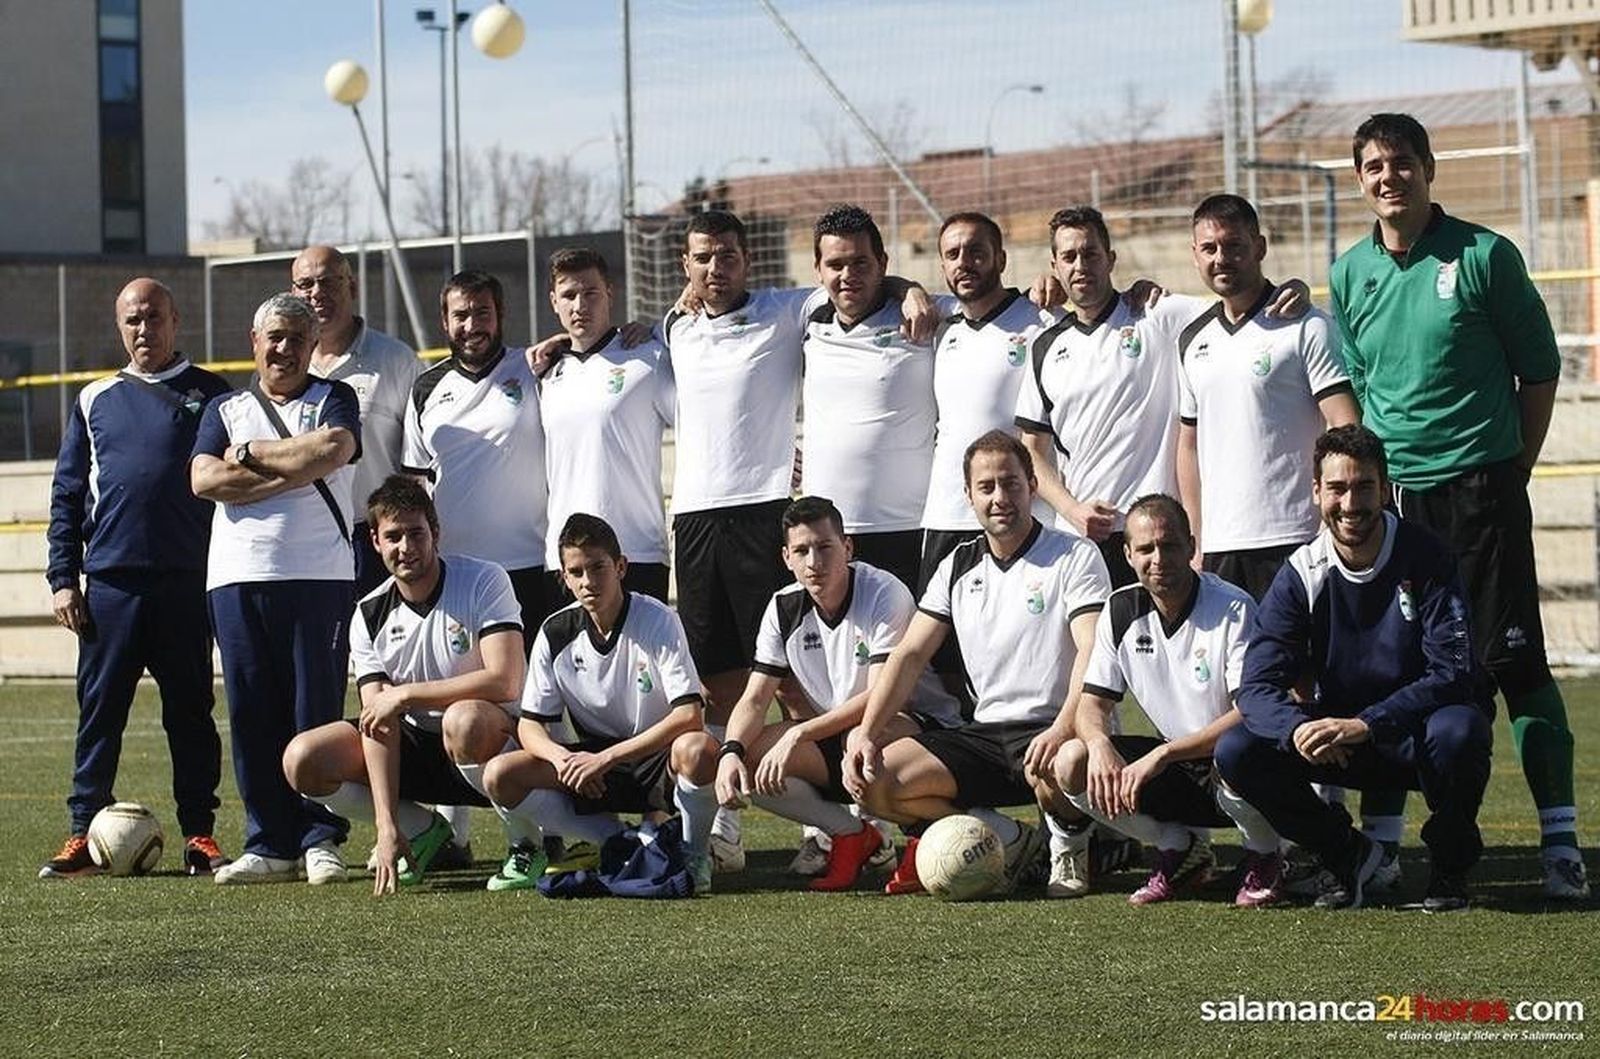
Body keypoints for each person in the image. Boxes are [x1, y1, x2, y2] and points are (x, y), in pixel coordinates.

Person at [1328, 112, 1588, 900]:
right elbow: (1361, 389)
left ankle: (1561, 844)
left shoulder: (1484, 256)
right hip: (1397, 503)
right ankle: (1386, 847)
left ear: (1429, 167)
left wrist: (1512, 468)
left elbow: (1536, 373)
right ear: (1361, 178)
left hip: (1483, 489)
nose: (1388, 176)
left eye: (1402, 161)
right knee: (1399, 671)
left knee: (1511, 662)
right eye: (1373, 165)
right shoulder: (1349, 273)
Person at [663, 209, 938, 874]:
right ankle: (729, 824)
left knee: (794, 680)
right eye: (704, 256)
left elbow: (858, 281)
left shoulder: (791, 309)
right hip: (695, 518)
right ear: (686, 265)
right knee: (721, 679)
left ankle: (844, 812)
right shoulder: (672, 326)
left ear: (746, 259)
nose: (716, 266)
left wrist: (912, 289)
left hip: (765, 513)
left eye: (727, 253)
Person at [1215, 426, 1494, 912]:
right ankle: (1345, 854)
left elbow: (1453, 671)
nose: (1351, 504)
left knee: (1462, 728)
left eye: (1364, 487)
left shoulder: (1427, 556)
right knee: (1237, 749)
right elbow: (1257, 686)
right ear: (1317, 492)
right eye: (1338, 489)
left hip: (1410, 733)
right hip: (1338, 744)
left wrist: (1369, 724)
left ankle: (1449, 869)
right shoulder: (1301, 573)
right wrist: (1298, 730)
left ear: (1384, 489)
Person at [844, 430, 1110, 896]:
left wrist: (1064, 725)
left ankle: (1071, 846)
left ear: (1031, 483)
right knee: (874, 781)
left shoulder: (1074, 555)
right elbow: (908, 656)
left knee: (1066, 760)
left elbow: (1092, 651)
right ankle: (1011, 838)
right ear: (968, 495)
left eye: (1010, 483)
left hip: (1051, 727)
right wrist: (865, 733)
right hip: (985, 735)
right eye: (986, 487)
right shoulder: (957, 565)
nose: (1000, 497)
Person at [40, 278, 233, 879]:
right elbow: (68, 493)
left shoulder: (214, 394)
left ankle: (200, 834)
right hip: (112, 587)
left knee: (191, 715)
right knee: (100, 713)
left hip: (185, 585)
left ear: (177, 322)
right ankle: (81, 832)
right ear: (119, 327)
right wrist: (62, 578)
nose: (143, 330)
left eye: (153, 318)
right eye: (131, 320)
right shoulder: (95, 397)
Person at [1017, 207, 1308, 588]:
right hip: (1082, 539)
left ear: (1110, 259)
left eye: (1090, 254)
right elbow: (1032, 452)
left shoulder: (1157, 313)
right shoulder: (1045, 345)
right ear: (1055, 266)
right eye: (1069, 257)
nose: (1081, 265)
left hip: (1157, 541)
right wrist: (1072, 511)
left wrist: (1296, 290)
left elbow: (1240, 305)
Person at [282, 476, 531, 893]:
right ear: (376, 542)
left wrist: (406, 694)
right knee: (303, 758)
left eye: (416, 533)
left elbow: (505, 680)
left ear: (435, 532)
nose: (406, 547)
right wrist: (385, 826)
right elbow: (378, 721)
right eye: (393, 536)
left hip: (491, 740)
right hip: (416, 746)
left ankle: (526, 842)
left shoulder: (484, 579)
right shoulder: (368, 612)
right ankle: (420, 830)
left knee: (464, 719)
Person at [190, 293, 361, 884]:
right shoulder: (225, 406)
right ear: (253, 342)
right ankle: (268, 843)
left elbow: (333, 450)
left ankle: (320, 837)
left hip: (319, 574)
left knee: (315, 710)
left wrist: (251, 461)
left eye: (296, 338)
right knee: (252, 711)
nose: (284, 348)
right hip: (237, 578)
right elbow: (204, 478)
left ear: (313, 346)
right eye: (274, 337)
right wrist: (289, 470)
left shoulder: (332, 398)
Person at [714, 496, 960, 891]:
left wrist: (800, 732)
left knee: (864, 734)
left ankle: (921, 835)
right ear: (786, 558)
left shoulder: (883, 592)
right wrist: (730, 753)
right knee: (752, 755)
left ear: (847, 547)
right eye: (801, 551)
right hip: (837, 734)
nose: (814, 562)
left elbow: (886, 695)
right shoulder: (781, 607)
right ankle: (850, 834)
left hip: (918, 729)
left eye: (825, 547)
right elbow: (756, 699)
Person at [1051, 494, 1282, 906]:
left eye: (1170, 545)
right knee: (1072, 760)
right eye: (1145, 548)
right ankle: (1177, 846)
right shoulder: (1120, 610)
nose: (1159, 559)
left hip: (1239, 764)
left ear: (1191, 547)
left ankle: (1266, 855)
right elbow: (1092, 704)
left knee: (1235, 751)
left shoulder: (1232, 607)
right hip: (1177, 766)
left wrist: (1164, 755)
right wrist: (1100, 744)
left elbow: (1248, 714)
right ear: (1127, 554)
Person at [482, 513, 722, 892]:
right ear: (563, 577)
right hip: (593, 762)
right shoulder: (554, 631)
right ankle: (617, 840)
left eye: (598, 567)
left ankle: (694, 855)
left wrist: (608, 758)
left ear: (621, 567)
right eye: (576, 571)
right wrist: (563, 761)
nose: (588, 581)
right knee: (500, 775)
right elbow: (530, 725)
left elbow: (690, 715)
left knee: (699, 749)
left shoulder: (657, 618)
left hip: (655, 753)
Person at [1176, 194, 1359, 600]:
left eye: (1234, 245)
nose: (1221, 258)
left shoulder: (1305, 325)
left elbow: (1344, 425)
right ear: (1194, 255)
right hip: (1222, 546)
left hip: (1297, 537)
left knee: (1307, 662)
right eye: (1209, 248)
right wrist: (1197, 537)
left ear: (1259, 247)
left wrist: (1333, 519)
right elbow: (1188, 446)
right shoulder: (1192, 340)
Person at [403, 270, 556, 647]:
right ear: (445, 321)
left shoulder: (535, 367)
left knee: (536, 697)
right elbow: (413, 484)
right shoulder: (425, 389)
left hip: (530, 565)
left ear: (500, 314)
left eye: (483, 313)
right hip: (456, 572)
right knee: (466, 693)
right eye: (461, 315)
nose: (472, 325)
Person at [801, 204, 936, 594]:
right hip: (828, 536)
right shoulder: (807, 319)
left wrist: (909, 289)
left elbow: (988, 306)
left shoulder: (923, 317)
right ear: (818, 270)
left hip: (905, 529)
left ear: (883, 262)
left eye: (860, 263)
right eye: (836, 264)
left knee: (914, 653)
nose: (848, 275)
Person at [540, 247, 673, 602]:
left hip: (636, 552)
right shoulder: (544, 372)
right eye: (569, 295)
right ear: (554, 301)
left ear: (610, 294)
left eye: (590, 293)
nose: (580, 305)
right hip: (565, 560)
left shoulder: (649, 358)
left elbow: (700, 426)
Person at [292, 245, 422, 598]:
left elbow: (419, 463)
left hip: (375, 540)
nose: (316, 293)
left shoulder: (395, 360)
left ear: (352, 288)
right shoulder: (284, 365)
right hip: (304, 543)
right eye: (305, 284)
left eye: (328, 282)